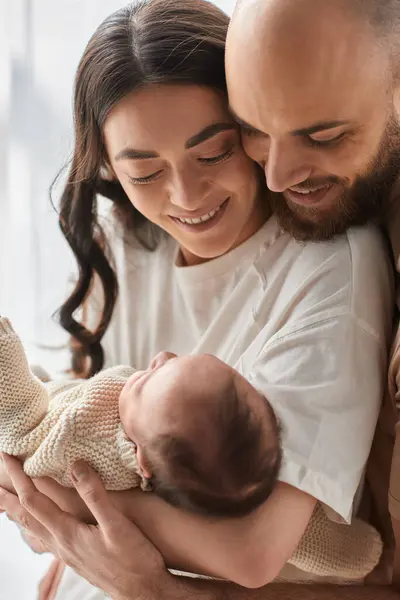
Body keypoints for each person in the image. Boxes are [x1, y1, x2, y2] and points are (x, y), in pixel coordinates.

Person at [0, 0, 395, 599]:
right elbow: (62, 445)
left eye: (214, 153)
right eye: (145, 173)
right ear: (109, 168)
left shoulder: (328, 267)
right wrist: (60, 515)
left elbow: (254, 552)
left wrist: (70, 508)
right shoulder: (126, 245)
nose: (186, 195)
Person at [0, 319, 384, 581]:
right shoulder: (202, 472)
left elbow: (23, 430)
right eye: (174, 364)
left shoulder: (90, 440)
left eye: (148, 379)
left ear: (141, 461)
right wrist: (358, 553)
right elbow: (305, 541)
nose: (161, 357)